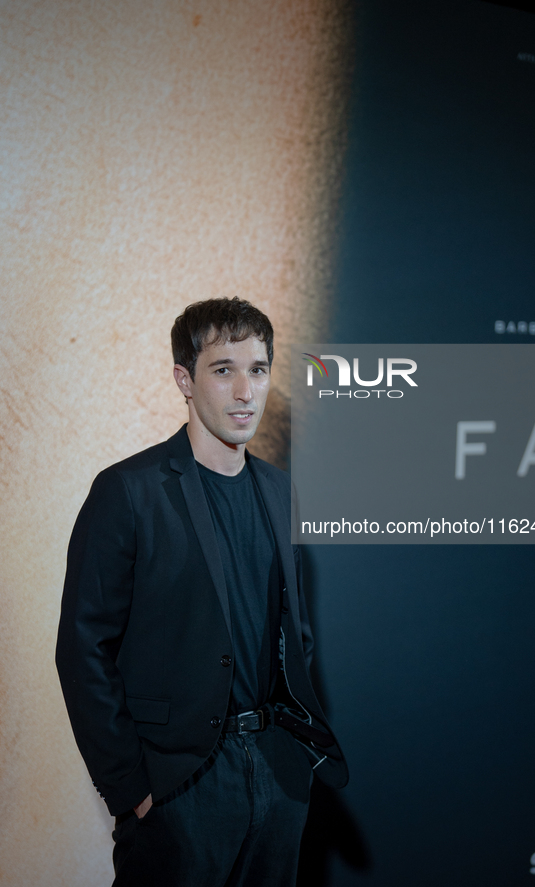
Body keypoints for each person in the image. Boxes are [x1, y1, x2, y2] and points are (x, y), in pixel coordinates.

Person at [56, 296, 347, 887]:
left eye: (258, 370)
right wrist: (132, 791)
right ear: (184, 380)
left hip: (276, 771)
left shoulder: (278, 490)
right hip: (179, 785)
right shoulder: (127, 491)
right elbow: (82, 649)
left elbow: (298, 636)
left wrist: (293, 756)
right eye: (224, 370)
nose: (246, 392)